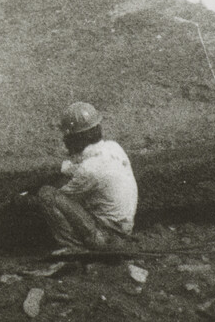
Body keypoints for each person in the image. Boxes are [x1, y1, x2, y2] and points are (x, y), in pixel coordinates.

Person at [33, 101, 138, 252]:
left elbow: (61, 197)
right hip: (122, 231)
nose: (64, 140)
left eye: (67, 136)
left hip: (105, 238)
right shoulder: (113, 147)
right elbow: (83, 166)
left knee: (46, 195)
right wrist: (67, 169)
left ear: (78, 138)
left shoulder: (89, 170)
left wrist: (29, 198)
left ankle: (72, 247)